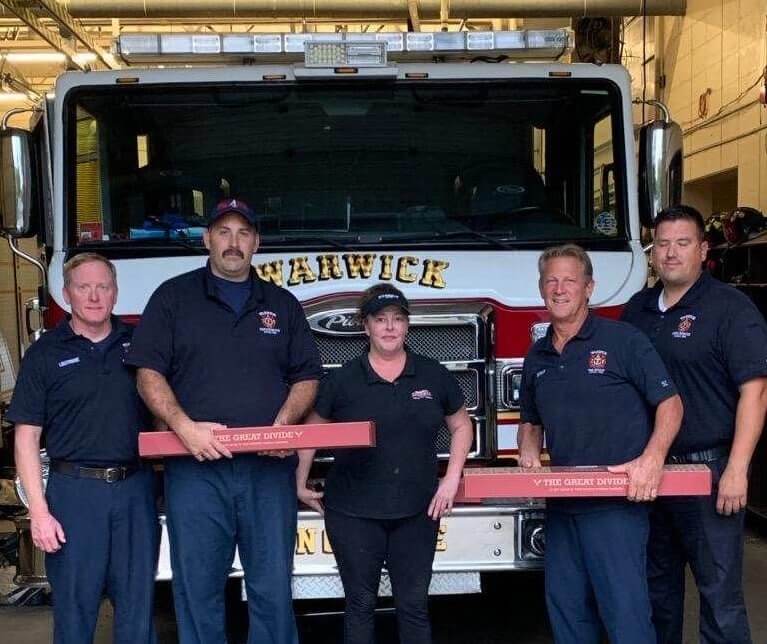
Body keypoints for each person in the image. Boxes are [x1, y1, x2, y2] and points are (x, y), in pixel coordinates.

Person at [126, 198, 322, 644]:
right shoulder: (172, 298)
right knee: (198, 590)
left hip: (268, 471)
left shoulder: (282, 304)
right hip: (195, 471)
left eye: (243, 233)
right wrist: (183, 426)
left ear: (257, 242)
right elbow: (147, 374)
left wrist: (283, 425)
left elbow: (308, 376)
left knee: (272, 588)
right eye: (223, 232)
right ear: (206, 239)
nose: (233, 243)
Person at [518, 244, 683, 644]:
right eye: (551, 280)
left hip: (617, 507)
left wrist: (652, 459)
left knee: (626, 618)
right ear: (541, 288)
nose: (559, 289)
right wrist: (527, 447)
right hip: (562, 507)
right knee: (567, 615)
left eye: (569, 280)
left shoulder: (623, 340)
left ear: (589, 287)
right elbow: (530, 419)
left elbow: (671, 404)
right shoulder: (537, 356)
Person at [296, 283, 473, 644]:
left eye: (397, 319)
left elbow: (461, 424)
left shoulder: (432, 374)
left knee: (413, 606)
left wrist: (451, 479)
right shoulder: (343, 379)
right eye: (381, 320)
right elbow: (310, 432)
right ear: (366, 327)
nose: (390, 327)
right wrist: (299, 482)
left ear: (407, 326)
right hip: (352, 513)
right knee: (360, 604)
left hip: (418, 511)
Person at [621, 205, 767, 644]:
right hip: (650, 476)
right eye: (662, 244)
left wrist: (737, 470)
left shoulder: (730, 308)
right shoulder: (638, 310)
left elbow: (755, 393)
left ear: (703, 250)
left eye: (682, 243)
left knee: (719, 596)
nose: (670, 253)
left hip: (709, 474)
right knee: (656, 593)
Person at [8, 252, 158, 644]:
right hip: (74, 495)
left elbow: (169, 410)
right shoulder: (44, 355)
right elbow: (26, 437)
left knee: (138, 609)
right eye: (83, 287)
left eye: (102, 287)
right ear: (67, 293)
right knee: (75, 611)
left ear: (115, 293)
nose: (94, 296)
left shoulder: (140, 347)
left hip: (135, 491)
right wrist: (38, 512)